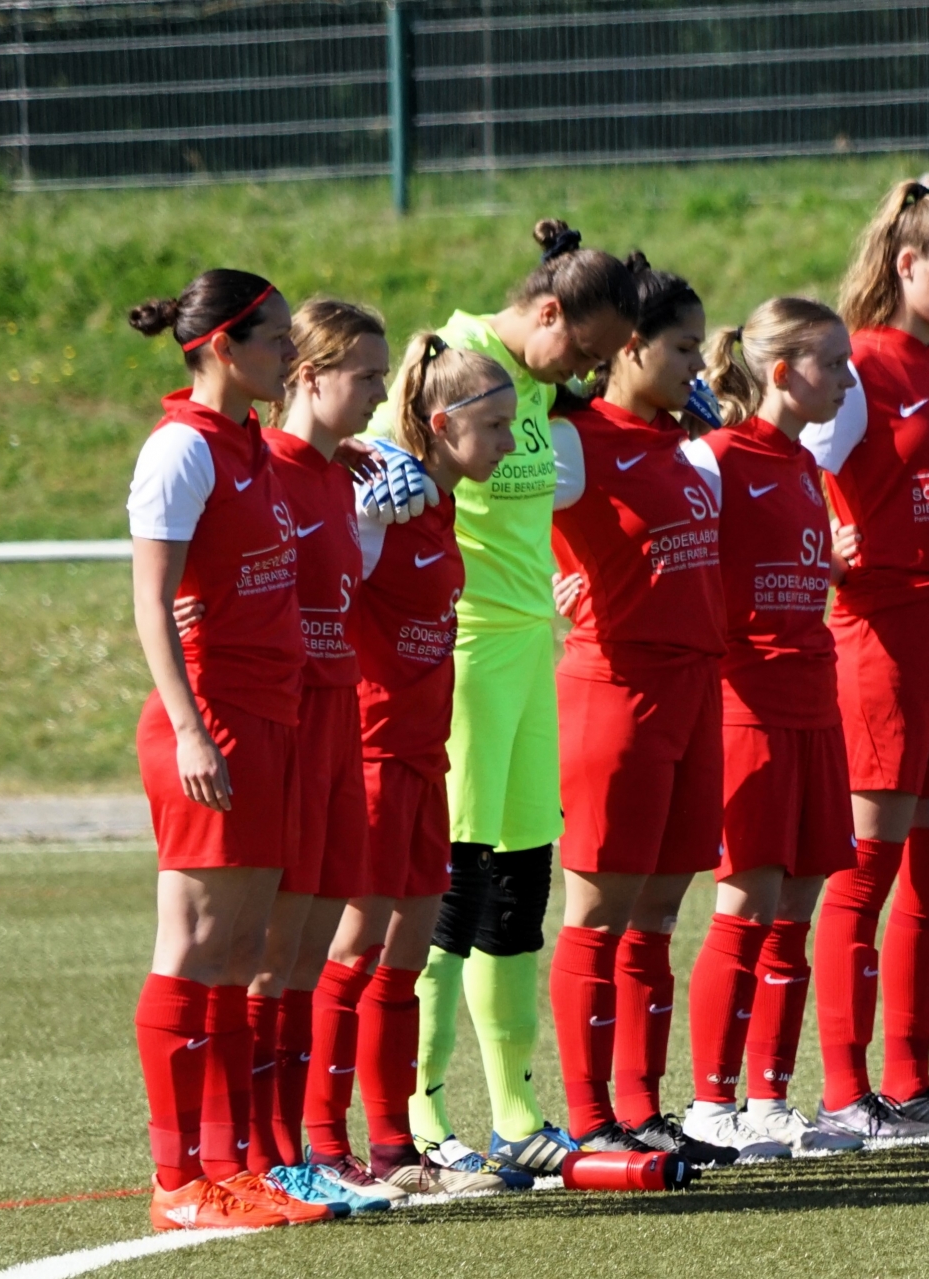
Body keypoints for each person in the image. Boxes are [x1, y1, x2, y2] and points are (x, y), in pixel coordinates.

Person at [369, 220, 639, 1180]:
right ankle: (422, 1111)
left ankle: (517, 1110)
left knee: (523, 879)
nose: (590, 375)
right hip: (468, 653)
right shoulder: (452, 363)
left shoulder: (541, 380)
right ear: (548, 313)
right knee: (458, 881)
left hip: (533, 651)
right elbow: (372, 460)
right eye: (586, 353)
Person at [126, 269, 333, 1229]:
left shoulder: (251, 445)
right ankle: (179, 1181)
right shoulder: (181, 448)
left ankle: (224, 1168)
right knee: (194, 945)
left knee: (243, 948)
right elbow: (152, 601)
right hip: (213, 719)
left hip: (270, 714)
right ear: (222, 347)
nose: (291, 353)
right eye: (277, 337)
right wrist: (189, 727)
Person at [803, 179, 929, 1139]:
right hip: (883, 632)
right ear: (907, 264)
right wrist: (822, 541)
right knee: (867, 867)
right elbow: (786, 462)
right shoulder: (860, 366)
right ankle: (848, 1093)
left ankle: (910, 1082)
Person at [302, 332, 524, 1197]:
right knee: (354, 950)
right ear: (442, 423)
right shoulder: (382, 502)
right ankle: (325, 1148)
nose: (508, 442)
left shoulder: (435, 506)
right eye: (494, 426)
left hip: (426, 759)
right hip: (372, 754)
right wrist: (364, 484)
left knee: (405, 959)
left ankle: (395, 1150)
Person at [544, 255, 752, 1165]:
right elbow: (486, 516)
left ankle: (640, 1109)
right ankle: (590, 1121)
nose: (698, 365)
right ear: (627, 346)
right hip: (616, 692)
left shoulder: (683, 440)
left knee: (659, 914)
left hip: (694, 692)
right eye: (683, 347)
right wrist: (547, 584)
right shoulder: (573, 438)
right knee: (599, 913)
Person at [678, 297, 866, 1155]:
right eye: (834, 363)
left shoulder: (802, 464)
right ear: (783, 371)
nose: (848, 379)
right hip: (745, 704)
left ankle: (768, 1101)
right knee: (747, 905)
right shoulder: (715, 458)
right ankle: (709, 1103)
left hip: (814, 700)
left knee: (796, 908)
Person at [227, 301, 391, 1204]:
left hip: (341, 718)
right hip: (285, 722)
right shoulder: (268, 468)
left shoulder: (338, 474)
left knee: (308, 955)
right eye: (364, 376)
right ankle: (257, 1156)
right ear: (309, 375)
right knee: (274, 952)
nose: (376, 393)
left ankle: (293, 1153)